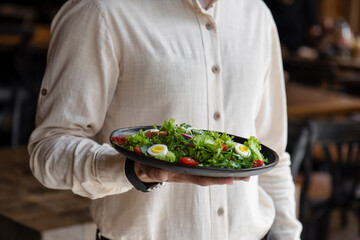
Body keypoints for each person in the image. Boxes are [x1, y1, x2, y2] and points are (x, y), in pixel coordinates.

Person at [28, 0, 302, 239]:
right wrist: (130, 169)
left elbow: (273, 154)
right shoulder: (100, 9)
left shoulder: (257, 14)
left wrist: (288, 234)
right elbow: (50, 147)